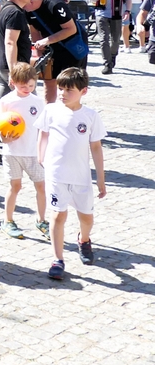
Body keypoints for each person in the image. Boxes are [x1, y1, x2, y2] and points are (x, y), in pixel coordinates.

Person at [39, 67, 106, 281]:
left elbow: (95, 147)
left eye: (69, 90)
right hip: (56, 174)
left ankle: (83, 239)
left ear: (83, 91)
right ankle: (57, 259)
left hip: (81, 177)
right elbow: (43, 133)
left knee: (86, 217)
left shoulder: (90, 116)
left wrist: (101, 180)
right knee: (58, 215)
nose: (62, 94)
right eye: (60, 89)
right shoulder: (50, 110)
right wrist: (41, 157)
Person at [0, 63, 49, 239]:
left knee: (41, 186)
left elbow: (44, 127)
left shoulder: (38, 102)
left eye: (31, 85)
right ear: (12, 82)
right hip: (12, 153)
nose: (27, 89)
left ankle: (41, 220)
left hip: (33, 153)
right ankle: (8, 220)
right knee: (15, 186)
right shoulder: (7, 101)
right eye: (23, 86)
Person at [0, 0, 35, 98]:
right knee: (29, 105)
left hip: (2, 65)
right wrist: (14, 71)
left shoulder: (6, 8)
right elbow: (10, 42)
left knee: (3, 107)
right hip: (14, 68)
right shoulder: (15, 13)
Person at [88, 0, 131, 73]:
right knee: (103, 39)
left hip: (117, 13)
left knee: (115, 39)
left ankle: (112, 56)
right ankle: (107, 63)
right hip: (101, 13)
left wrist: (128, 11)